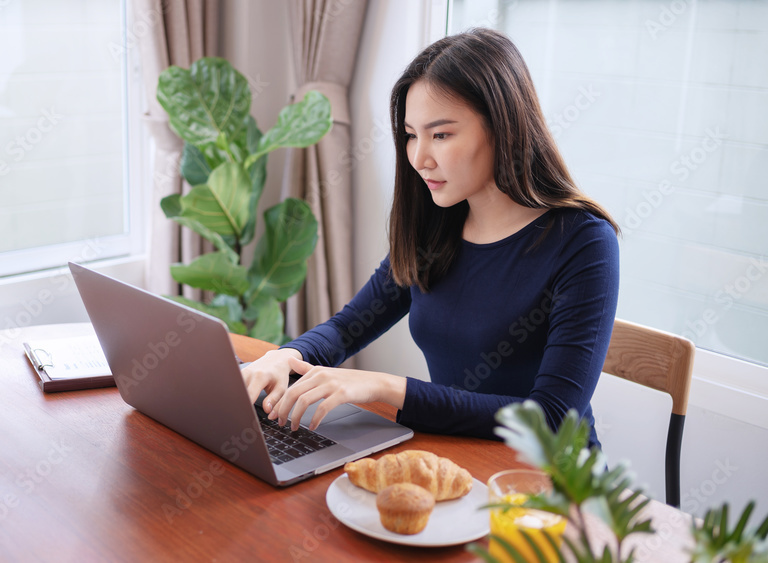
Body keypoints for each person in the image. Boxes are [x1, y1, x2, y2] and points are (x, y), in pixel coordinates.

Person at [241, 28, 619, 450]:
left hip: (553, 485)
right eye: (411, 134)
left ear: (503, 127)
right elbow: (348, 329)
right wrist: (284, 356)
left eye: (440, 135)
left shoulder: (584, 243)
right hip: (460, 452)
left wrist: (386, 388)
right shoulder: (437, 225)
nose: (420, 158)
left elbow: (551, 418)